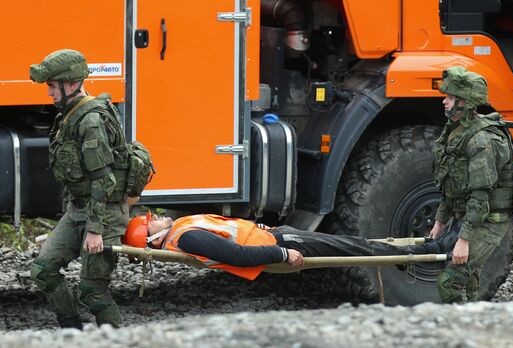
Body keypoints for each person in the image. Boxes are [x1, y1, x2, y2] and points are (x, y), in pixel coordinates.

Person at [29, 49, 130, 329]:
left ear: (71, 84)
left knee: (92, 292)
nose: (49, 93)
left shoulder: (91, 120)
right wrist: (69, 219)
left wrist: (95, 229)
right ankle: (72, 332)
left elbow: (104, 180)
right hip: (79, 209)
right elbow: (73, 176)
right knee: (43, 270)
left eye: (52, 86)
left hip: (104, 212)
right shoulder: (68, 115)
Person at [123, 212, 458, 280]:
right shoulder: (185, 237)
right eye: (149, 220)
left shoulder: (181, 229)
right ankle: (434, 252)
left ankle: (426, 247)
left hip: (275, 235)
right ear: (148, 237)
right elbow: (238, 256)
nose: (155, 217)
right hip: (280, 244)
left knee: (354, 245)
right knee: (356, 250)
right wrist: (281, 253)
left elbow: (232, 232)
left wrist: (263, 229)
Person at [430, 66, 513, 303]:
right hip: (469, 216)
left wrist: (464, 240)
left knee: (449, 280)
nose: (444, 103)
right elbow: (450, 185)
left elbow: (481, 195)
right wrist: (440, 222)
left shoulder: (481, 140)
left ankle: (461, 332)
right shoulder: (455, 132)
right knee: (467, 278)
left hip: (488, 220)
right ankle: (474, 325)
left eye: (449, 98)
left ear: (465, 103)